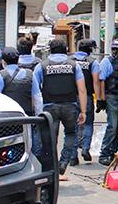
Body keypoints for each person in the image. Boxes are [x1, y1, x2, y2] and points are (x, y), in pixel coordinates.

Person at [33, 39, 87, 179]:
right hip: (70, 106)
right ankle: (63, 162)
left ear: (50, 50)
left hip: (49, 107)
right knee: (70, 134)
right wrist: (83, 111)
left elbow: (35, 90)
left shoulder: (42, 66)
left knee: (50, 138)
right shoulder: (74, 65)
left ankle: (51, 167)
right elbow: (82, 90)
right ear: (66, 49)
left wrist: (37, 110)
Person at [97, 38, 118, 166]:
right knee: (112, 126)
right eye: (114, 49)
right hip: (111, 97)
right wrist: (101, 99)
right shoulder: (106, 62)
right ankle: (104, 153)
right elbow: (101, 81)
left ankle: (114, 151)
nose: (115, 52)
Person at [72, 39, 100, 164]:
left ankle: (73, 156)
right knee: (88, 123)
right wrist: (99, 99)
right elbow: (96, 82)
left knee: (72, 126)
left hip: (71, 97)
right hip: (87, 97)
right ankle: (85, 148)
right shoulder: (92, 62)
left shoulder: (70, 61)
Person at [0, 47, 39, 117]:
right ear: (18, 60)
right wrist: (38, 116)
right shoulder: (30, 74)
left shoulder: (0, 75)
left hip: (8, 118)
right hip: (26, 117)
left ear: (3, 61)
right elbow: (37, 97)